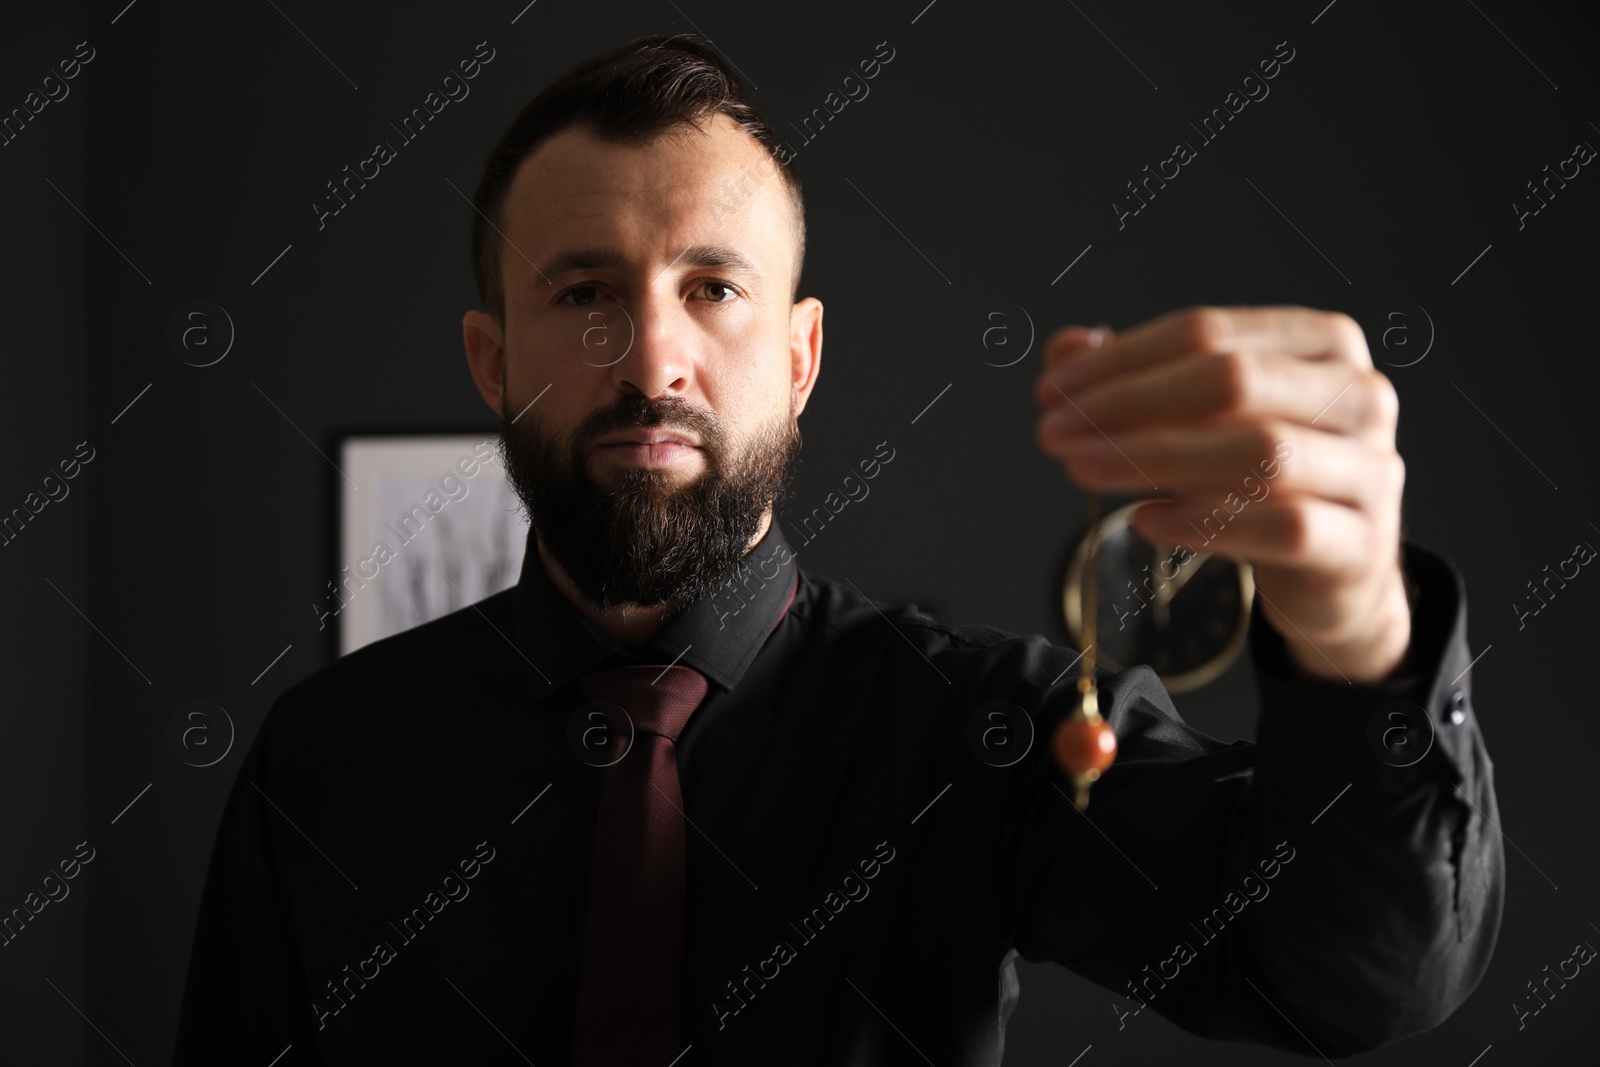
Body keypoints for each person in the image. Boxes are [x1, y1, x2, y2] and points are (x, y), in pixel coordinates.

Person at [173, 33, 1502, 1066]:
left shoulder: (991, 732)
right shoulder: (324, 763)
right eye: (585, 293)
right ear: (492, 359)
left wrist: (1358, 637)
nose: (652, 358)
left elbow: (1355, 979)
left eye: (712, 286)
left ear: (801, 357)